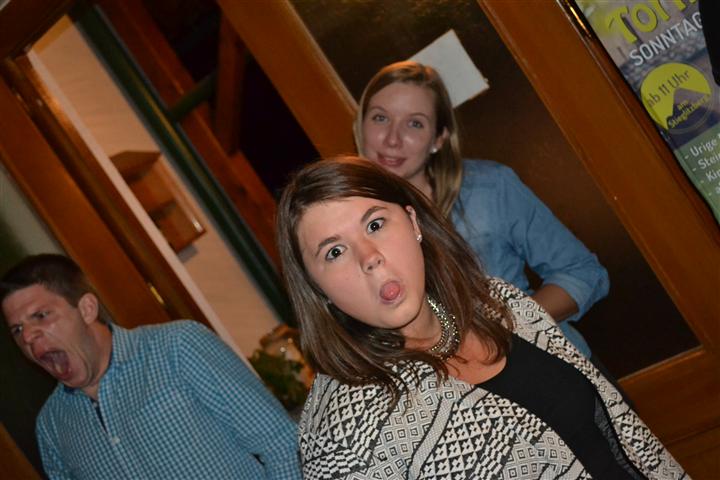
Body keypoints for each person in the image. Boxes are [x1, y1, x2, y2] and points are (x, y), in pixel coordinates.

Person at [276, 156, 685, 479]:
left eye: (376, 224)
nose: (370, 257)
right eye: (334, 251)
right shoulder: (342, 434)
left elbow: (621, 439)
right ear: (317, 289)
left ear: (413, 222)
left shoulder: (499, 303)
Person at [354, 61, 609, 362]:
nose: (392, 138)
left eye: (415, 124)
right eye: (380, 118)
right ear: (359, 125)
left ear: (439, 138)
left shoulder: (487, 188)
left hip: (545, 366)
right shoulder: (342, 225)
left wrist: (506, 330)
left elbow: (582, 272)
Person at [0, 254, 301, 480]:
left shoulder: (178, 347)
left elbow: (281, 444)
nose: (28, 337)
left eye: (41, 316)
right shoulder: (52, 426)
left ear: (87, 309)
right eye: (17, 329)